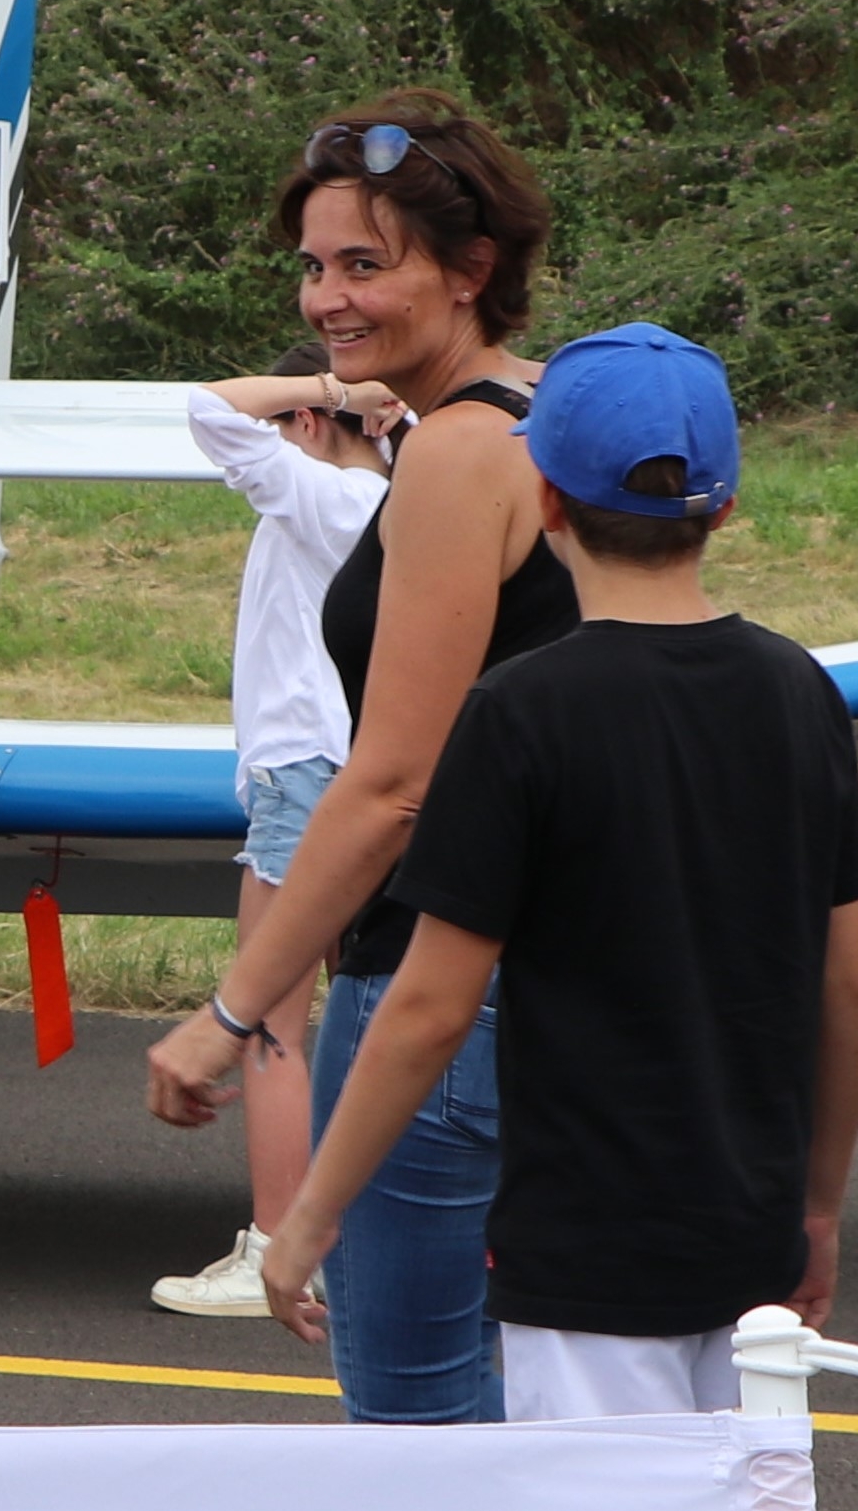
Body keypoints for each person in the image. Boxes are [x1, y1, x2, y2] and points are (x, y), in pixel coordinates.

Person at [256, 324, 858, 1414]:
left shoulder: (519, 712)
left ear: (546, 500)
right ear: (725, 508)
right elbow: (854, 988)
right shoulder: (800, 690)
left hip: (584, 1254)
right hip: (747, 1239)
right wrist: (816, 1208)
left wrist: (310, 1211)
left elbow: (429, 1008)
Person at [144, 99, 570, 1420]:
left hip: (439, 990)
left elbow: (390, 784)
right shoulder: (555, 414)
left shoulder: (454, 454)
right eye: (314, 265)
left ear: (470, 268)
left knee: (415, 1418)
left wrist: (228, 1015)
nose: (326, 298)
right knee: (538, 1406)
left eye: (363, 265)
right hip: (562, 982)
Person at [150, 340, 392, 1316]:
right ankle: (359, 1235)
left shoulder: (316, 491)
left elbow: (209, 406)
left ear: (308, 423)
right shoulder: (404, 499)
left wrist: (328, 385)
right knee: (368, 1010)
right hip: (369, 773)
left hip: (301, 775)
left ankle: (273, 1246)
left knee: (269, 1027)